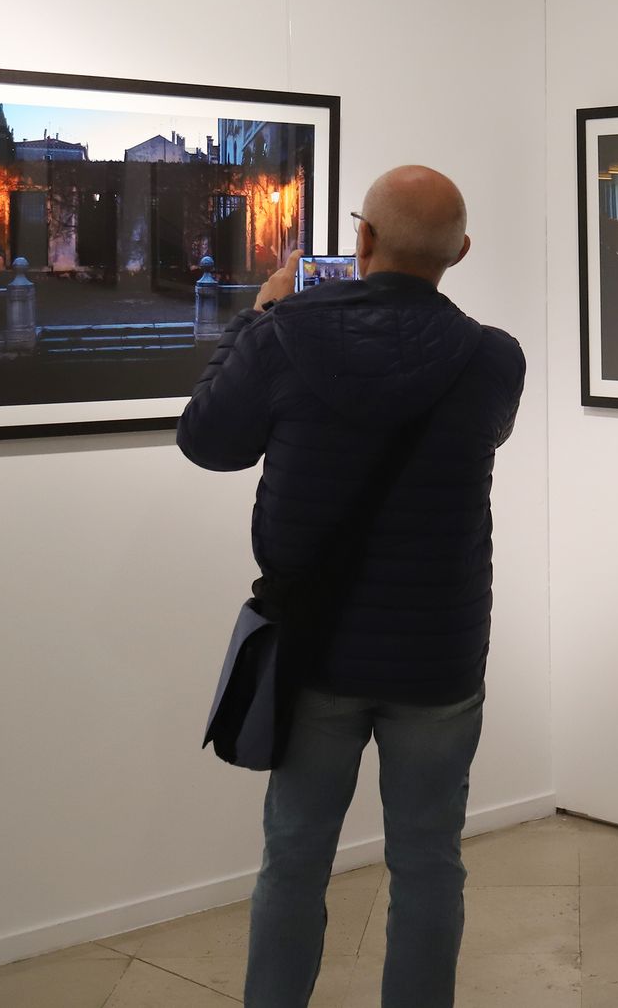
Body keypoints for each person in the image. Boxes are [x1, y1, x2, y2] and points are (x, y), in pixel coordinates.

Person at [177, 165, 526, 1008]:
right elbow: (489, 433)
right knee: (429, 863)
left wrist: (258, 315)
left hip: (318, 647)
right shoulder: (493, 357)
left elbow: (208, 441)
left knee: (294, 859)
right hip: (439, 653)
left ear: (360, 240)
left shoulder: (282, 335)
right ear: (462, 252)